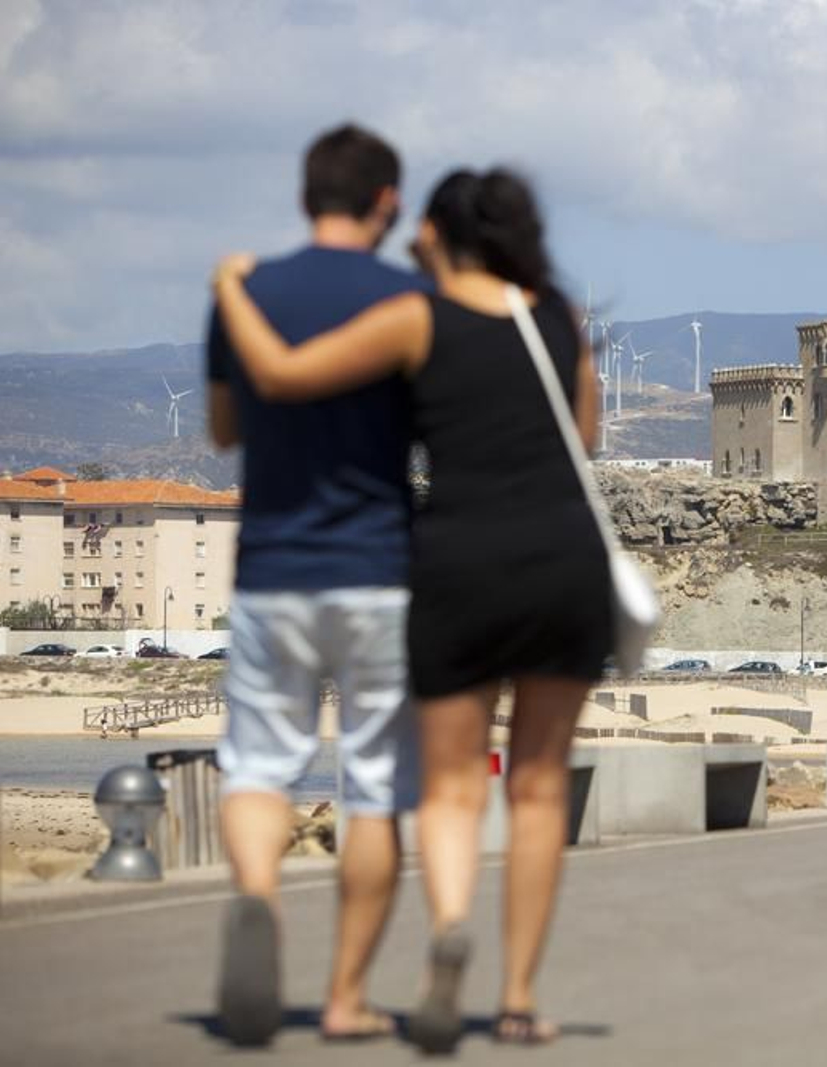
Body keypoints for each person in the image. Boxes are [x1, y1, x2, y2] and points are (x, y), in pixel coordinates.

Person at [213, 167, 609, 1052]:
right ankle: (515, 996)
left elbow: (279, 375)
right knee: (541, 786)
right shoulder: (557, 315)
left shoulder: (416, 317)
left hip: (460, 562)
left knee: (454, 784)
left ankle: (452, 922)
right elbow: (582, 438)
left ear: (434, 230)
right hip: (566, 561)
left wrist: (230, 289)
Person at [206, 124, 422, 1046]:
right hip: (377, 569)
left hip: (272, 567)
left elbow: (222, 428)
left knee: (259, 765)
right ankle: (346, 996)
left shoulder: (246, 292)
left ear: (306, 198)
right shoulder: (412, 300)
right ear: (387, 201)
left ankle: (258, 895)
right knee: (372, 782)